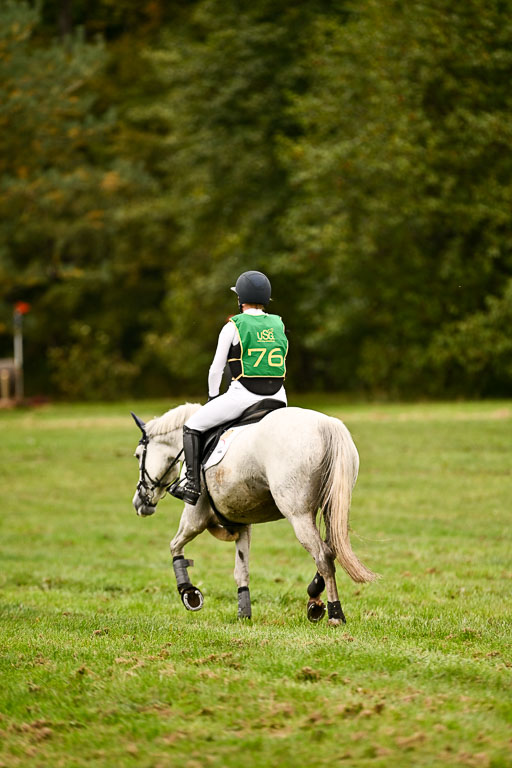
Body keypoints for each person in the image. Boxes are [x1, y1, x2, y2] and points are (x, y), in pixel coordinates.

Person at [169, 270, 288, 505]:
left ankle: (191, 486)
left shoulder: (233, 326)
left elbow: (216, 369)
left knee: (192, 426)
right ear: (266, 299)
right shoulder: (278, 324)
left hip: (244, 396)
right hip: (279, 397)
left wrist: (213, 397)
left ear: (240, 299)